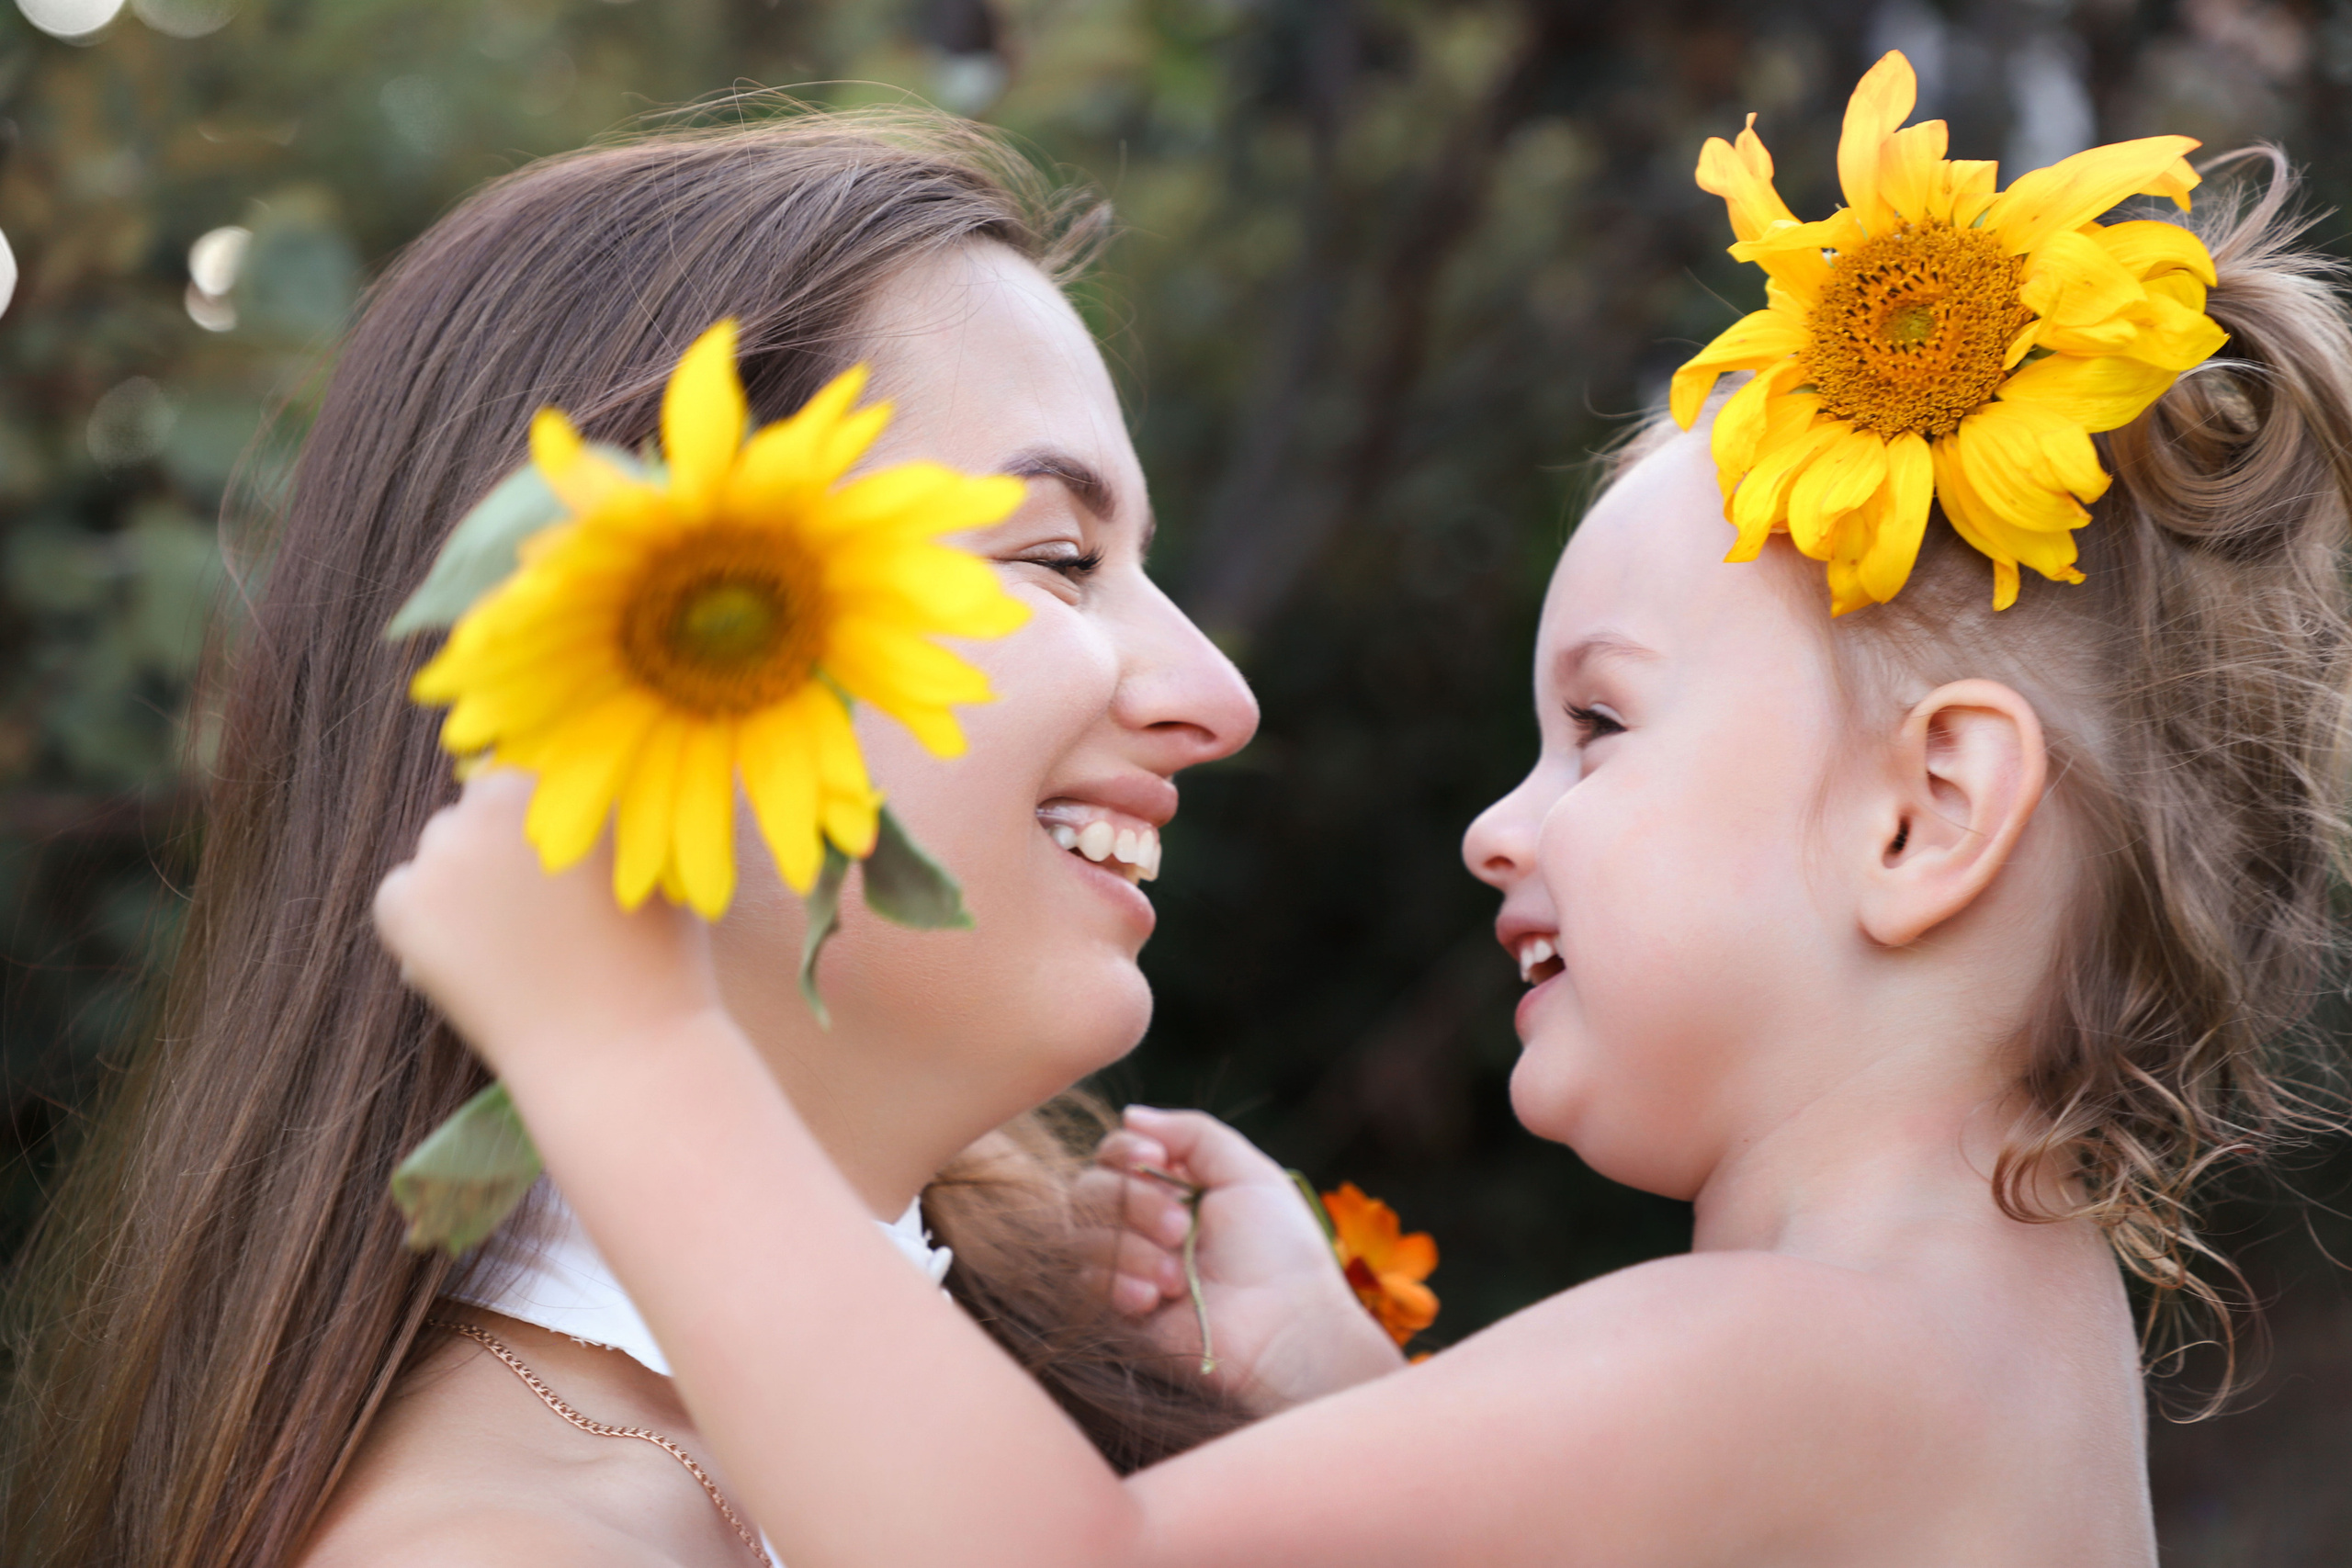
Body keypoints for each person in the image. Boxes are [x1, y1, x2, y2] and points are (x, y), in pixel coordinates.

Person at [374, 60, 2352, 1567]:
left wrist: (624, 1046)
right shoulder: (1975, 1354)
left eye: (1598, 726)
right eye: (1061, 556)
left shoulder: (1815, 1357)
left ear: (1926, 817)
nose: (1497, 826)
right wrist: (1347, 1401)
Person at [0, 107, 1409, 1568]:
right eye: (1060, 558)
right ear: (640, 646)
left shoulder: (1102, 1402)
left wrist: (1320, 1424)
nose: (1219, 697)